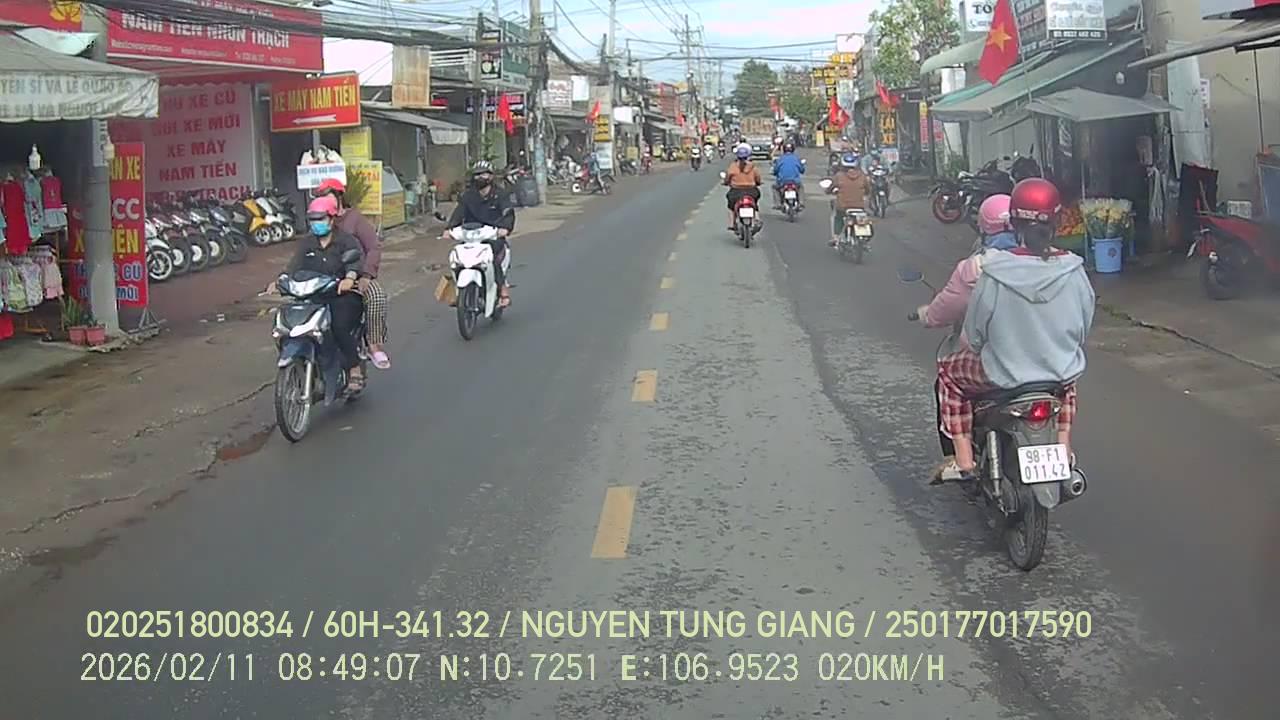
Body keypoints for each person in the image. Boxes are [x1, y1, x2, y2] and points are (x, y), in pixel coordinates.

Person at [933, 179, 1096, 483]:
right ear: (1057, 221)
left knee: (948, 374)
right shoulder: (1074, 270)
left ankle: (964, 460)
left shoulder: (994, 271)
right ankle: (1064, 447)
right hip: (1055, 373)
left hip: (1001, 373)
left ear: (1015, 222)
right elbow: (1083, 327)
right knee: (1068, 380)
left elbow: (975, 335)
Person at [913, 194, 1017, 478]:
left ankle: (961, 459)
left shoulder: (974, 268)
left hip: (993, 364)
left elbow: (944, 309)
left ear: (983, 227)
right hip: (1046, 363)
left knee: (947, 376)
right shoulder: (1048, 263)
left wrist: (927, 315)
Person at [269, 195, 366, 393]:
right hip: (313, 296)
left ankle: (354, 368)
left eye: (320, 219)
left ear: (331, 219)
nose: (316, 223)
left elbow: (355, 262)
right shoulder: (307, 243)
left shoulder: (346, 240)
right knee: (286, 325)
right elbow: (294, 266)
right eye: (313, 220)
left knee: (338, 326)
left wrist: (349, 278)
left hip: (341, 295)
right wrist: (280, 280)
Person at [311, 178, 391, 370]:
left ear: (339, 197)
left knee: (376, 296)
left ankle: (374, 345)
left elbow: (373, 247)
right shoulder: (319, 220)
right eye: (321, 197)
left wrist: (367, 274)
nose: (325, 200)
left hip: (356, 276)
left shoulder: (355, 219)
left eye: (328, 196)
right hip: (325, 278)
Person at [444, 161, 516, 307]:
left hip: (492, 236)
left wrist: (505, 228)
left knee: (493, 259)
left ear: (491, 176)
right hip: (471, 236)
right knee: (457, 258)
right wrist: (449, 229)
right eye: (477, 175)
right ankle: (457, 292)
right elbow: (458, 213)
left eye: (484, 174)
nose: (480, 177)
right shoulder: (468, 196)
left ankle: (503, 292)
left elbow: (508, 214)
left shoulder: (500, 195)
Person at [826, 152, 870, 246]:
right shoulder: (862, 176)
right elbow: (868, 189)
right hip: (859, 206)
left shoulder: (839, 176)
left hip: (843, 206)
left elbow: (831, 187)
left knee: (837, 217)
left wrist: (828, 191)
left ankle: (836, 237)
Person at [723, 144, 762, 230]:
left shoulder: (733, 166)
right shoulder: (752, 167)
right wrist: (758, 182)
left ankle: (731, 223)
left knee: (731, 206)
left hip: (736, 192)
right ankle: (757, 219)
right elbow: (758, 178)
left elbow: (727, 178)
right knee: (755, 203)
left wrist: (726, 182)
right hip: (752, 191)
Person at [771, 141, 806, 209]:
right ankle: (801, 203)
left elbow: (775, 170)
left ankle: (778, 204)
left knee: (774, 187)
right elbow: (802, 170)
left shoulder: (780, 159)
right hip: (795, 181)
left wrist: (775, 173)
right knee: (800, 187)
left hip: (782, 181)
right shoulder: (796, 159)